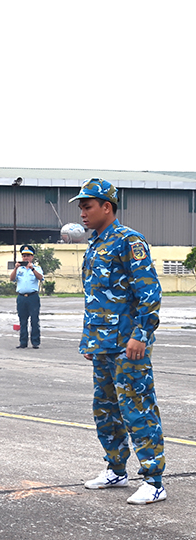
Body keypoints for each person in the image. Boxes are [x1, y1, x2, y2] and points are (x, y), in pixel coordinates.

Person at [70, 178, 167, 504]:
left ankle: (154, 480)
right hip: (103, 345)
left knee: (137, 409)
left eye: (87, 206)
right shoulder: (96, 243)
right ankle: (115, 469)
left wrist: (141, 335)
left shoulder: (129, 241)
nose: (83, 213)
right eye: (81, 207)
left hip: (128, 345)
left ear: (106, 207)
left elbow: (149, 292)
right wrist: (91, 342)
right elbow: (95, 298)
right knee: (106, 410)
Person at [9, 244, 43, 349]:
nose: (26, 257)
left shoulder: (37, 268)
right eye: (24, 255)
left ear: (32, 257)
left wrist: (32, 269)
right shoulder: (19, 269)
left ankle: (35, 342)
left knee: (34, 320)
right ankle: (23, 342)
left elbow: (40, 278)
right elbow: (12, 279)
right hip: (22, 297)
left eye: (28, 255)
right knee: (22, 320)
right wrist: (15, 268)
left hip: (33, 297)